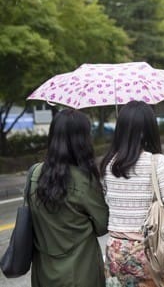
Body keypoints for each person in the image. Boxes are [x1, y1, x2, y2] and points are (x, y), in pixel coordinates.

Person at [101, 101, 164, 286]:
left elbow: (109, 204)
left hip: (115, 253)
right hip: (149, 252)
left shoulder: (108, 165)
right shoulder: (157, 162)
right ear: (149, 129)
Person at [29, 109, 108, 287]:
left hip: (44, 274)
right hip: (81, 274)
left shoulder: (34, 174)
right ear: (82, 140)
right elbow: (103, 225)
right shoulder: (84, 180)